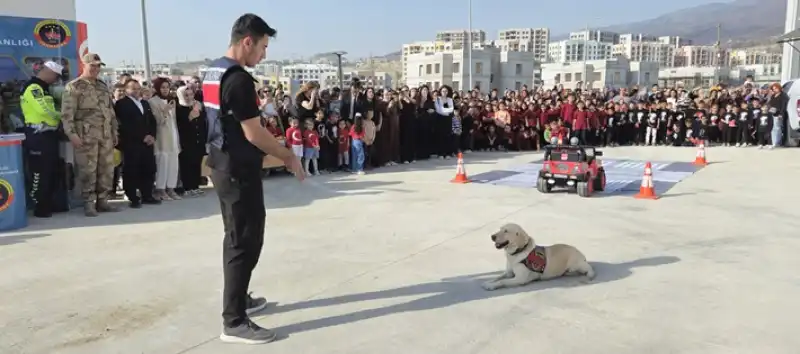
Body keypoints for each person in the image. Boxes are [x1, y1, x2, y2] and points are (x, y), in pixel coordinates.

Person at [201, 13, 304, 345]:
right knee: (244, 240)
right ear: (247, 41)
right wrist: (288, 155)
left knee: (237, 236)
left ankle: (239, 297)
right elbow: (255, 132)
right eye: (262, 46)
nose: (264, 55)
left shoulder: (214, 71)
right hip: (237, 170)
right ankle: (234, 321)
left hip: (221, 163)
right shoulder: (240, 80)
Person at [60, 53, 120, 217]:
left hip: (105, 134)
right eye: (92, 65)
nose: (96, 69)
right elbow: (67, 114)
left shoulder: (102, 86)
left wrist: (114, 131)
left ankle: (103, 201)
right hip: (86, 135)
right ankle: (88, 203)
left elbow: (110, 111)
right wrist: (71, 134)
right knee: (88, 170)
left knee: (106, 169)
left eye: (98, 66)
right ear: (83, 65)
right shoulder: (74, 86)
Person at [20, 61, 63, 217]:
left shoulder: (45, 89)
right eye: (55, 76)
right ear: (48, 72)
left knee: (51, 170)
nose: (56, 80)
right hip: (37, 135)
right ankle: (40, 206)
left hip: (49, 135)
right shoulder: (34, 88)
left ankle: (49, 203)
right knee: (39, 172)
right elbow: (44, 111)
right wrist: (60, 117)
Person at [114, 79, 160, 207]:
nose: (135, 90)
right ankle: (133, 197)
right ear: (126, 90)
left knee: (148, 169)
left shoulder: (145, 103)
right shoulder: (121, 104)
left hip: (147, 143)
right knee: (131, 170)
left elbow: (152, 121)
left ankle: (147, 195)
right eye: (132, 88)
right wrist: (142, 136)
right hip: (132, 143)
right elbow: (125, 125)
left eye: (137, 88)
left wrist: (152, 135)